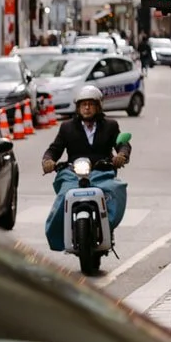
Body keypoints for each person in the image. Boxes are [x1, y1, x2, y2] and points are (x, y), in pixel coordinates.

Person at [41, 84, 131, 252]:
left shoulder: (111, 125)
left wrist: (121, 156)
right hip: (72, 174)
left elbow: (123, 144)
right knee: (63, 196)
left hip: (102, 172)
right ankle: (57, 236)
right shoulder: (66, 127)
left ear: (98, 106)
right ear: (78, 107)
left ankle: (107, 225)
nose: (87, 108)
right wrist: (48, 160)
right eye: (84, 104)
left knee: (115, 189)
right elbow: (54, 149)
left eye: (91, 104)